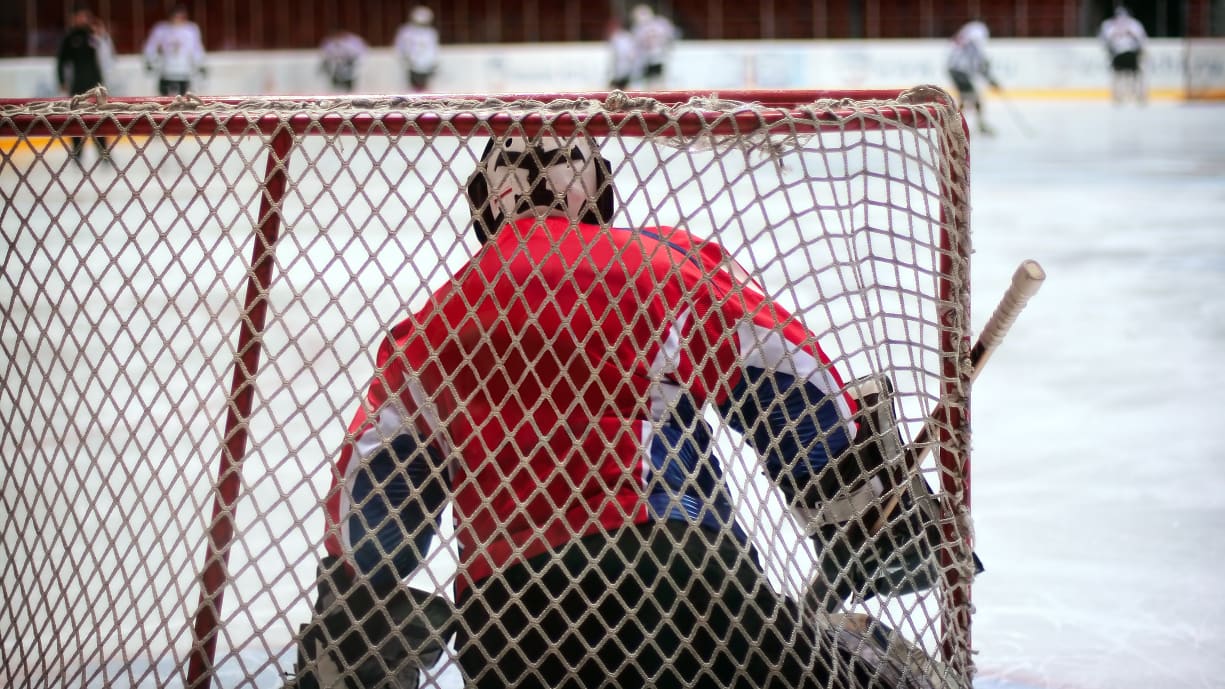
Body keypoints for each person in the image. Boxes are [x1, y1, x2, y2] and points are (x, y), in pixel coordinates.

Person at [286, 132, 945, 689]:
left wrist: (353, 624)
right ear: (598, 190)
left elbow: (374, 499)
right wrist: (853, 501)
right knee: (876, 665)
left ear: (482, 201)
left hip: (508, 629)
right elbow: (787, 377)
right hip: (679, 584)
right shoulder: (662, 262)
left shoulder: (427, 331)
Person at [55, 5, 113, 166]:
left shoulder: (95, 35)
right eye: (80, 16)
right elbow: (61, 62)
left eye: (85, 16)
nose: (83, 19)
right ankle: (77, 155)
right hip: (77, 87)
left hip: (96, 86)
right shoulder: (69, 37)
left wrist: (102, 36)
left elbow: (108, 57)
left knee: (99, 121)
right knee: (75, 121)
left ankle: (104, 154)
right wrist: (61, 81)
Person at [946, 20, 1001, 136]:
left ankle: (955, 125)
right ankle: (962, 125)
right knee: (972, 98)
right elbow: (979, 63)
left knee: (966, 98)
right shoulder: (975, 38)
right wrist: (990, 78)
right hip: (959, 71)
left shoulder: (966, 37)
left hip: (955, 70)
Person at [142, 4, 207, 97]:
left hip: (184, 70)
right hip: (166, 70)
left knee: (184, 97)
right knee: (164, 98)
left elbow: (196, 48)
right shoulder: (161, 29)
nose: (178, 19)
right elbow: (151, 46)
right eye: (175, 17)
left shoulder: (191, 29)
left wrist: (200, 63)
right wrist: (150, 60)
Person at [1099, 6, 1148, 104]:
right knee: (1134, 74)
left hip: (1121, 54)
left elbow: (1104, 41)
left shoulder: (1109, 25)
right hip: (1128, 54)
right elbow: (1143, 40)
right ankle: (1137, 95)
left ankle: (1120, 96)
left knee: (1120, 75)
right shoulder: (1134, 24)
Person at [629, 4, 678, 89]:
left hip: (654, 57)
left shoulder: (640, 28)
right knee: (653, 82)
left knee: (654, 83)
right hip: (652, 58)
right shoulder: (661, 23)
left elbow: (672, 35)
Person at [394, 6, 440, 93]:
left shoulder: (431, 32)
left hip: (426, 64)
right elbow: (399, 47)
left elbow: (433, 49)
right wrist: (404, 58)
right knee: (412, 87)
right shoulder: (405, 31)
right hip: (410, 64)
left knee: (425, 86)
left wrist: (434, 61)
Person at [606, 16, 638, 90]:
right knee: (618, 82)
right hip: (621, 64)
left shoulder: (624, 36)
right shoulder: (622, 36)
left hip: (623, 65)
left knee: (621, 83)